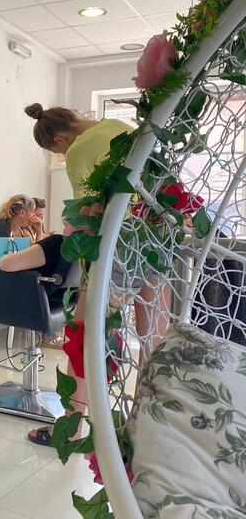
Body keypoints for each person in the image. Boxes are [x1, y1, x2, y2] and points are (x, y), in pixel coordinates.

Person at [23, 103, 169, 446]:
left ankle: (71, 427)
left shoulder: (79, 151)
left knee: (84, 338)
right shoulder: (119, 126)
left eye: (58, 152)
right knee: (153, 339)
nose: (62, 156)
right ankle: (143, 428)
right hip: (156, 237)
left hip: (118, 244)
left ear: (60, 140)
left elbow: (86, 218)